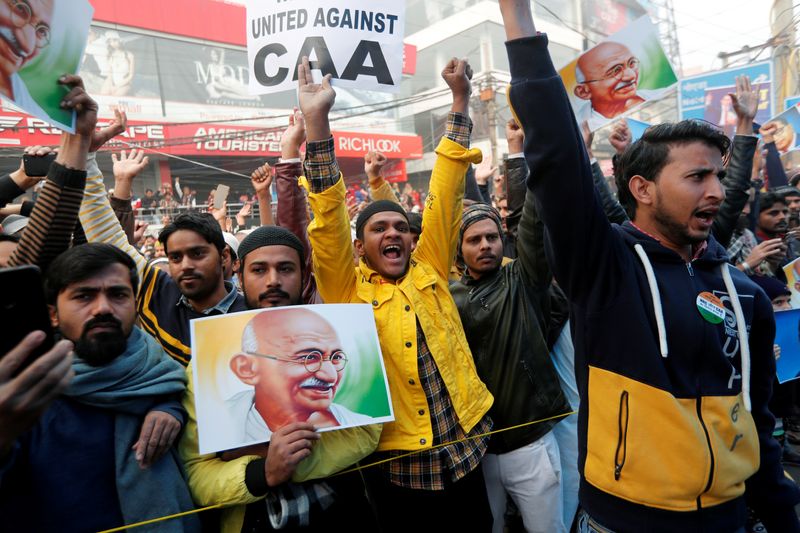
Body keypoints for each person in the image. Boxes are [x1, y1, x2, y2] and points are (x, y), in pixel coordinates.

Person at [498, 1, 800, 532]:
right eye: (696, 178)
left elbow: (758, 418)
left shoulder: (746, 295)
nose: (715, 192)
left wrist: (781, 513)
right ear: (641, 189)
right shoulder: (607, 270)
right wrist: (518, 19)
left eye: (719, 176)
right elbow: (557, 160)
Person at [300, 54, 494, 531]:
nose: (392, 233)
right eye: (377, 227)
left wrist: (460, 98)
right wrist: (317, 121)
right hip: (398, 466)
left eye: (400, 227)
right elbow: (325, 220)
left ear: (412, 239)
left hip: (466, 449)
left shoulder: (429, 264)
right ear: (360, 246)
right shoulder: (346, 289)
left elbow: (446, 189)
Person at [0, 243, 197, 532]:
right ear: (53, 314)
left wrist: (171, 409)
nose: (103, 308)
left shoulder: (164, 375)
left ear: (135, 303)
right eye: (84, 296)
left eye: (118, 295)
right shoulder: (25, 394)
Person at [450, 117, 571, 533]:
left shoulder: (523, 279)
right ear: (458, 249)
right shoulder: (447, 298)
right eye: (474, 239)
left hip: (530, 445)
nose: (485, 245)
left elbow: (530, 223)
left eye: (493, 237)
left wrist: (524, 151)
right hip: (477, 451)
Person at [79, 148, 248, 364]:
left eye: (197, 254)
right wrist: (85, 152)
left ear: (224, 256)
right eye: (175, 257)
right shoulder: (157, 294)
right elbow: (105, 234)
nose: (186, 265)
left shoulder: (256, 313)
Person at [227, 308, 376, 443]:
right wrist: (260, 467)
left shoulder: (360, 425)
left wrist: (337, 440)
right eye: (309, 357)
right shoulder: (219, 427)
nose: (331, 376)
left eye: (336, 357)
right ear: (247, 368)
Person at [573, 41, 661, 130]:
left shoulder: (661, 98)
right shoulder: (581, 129)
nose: (631, 76)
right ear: (583, 92)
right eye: (615, 71)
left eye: (631, 63)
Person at [0, 0, 52, 117]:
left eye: (42, 31)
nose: (28, 46)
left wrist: (81, 133)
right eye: (21, 9)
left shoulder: (37, 114)